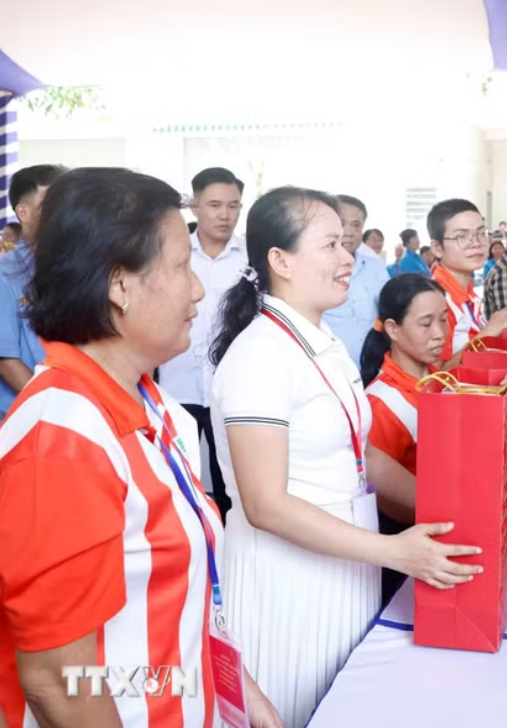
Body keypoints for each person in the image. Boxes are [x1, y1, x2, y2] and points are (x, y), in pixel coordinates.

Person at [0, 167, 281, 728]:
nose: (198, 288)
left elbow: (187, 594)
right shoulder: (63, 439)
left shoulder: (155, 405)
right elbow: (59, 680)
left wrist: (246, 704)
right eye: (181, 267)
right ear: (119, 285)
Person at [209, 186, 481, 728]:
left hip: (345, 566)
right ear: (280, 260)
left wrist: (449, 516)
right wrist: (392, 551)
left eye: (345, 242)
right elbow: (265, 504)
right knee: (298, 707)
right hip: (288, 585)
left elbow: (365, 459)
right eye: (330, 244)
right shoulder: (260, 355)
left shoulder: (321, 341)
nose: (347, 256)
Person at [157, 167, 246, 521]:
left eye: (234, 206)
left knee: (231, 482)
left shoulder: (251, 256)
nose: (225, 215)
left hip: (230, 387)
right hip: (179, 386)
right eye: (214, 205)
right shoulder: (172, 252)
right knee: (179, 478)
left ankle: (228, 555)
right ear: (194, 206)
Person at [360, 273, 448, 600]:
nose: (439, 333)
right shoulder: (380, 403)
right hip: (410, 551)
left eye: (443, 319)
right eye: (426, 324)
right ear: (394, 330)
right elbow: (384, 503)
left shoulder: (438, 379)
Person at [0, 164, 65, 421]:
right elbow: (6, 363)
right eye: (51, 205)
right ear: (23, 213)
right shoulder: (5, 275)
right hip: (24, 419)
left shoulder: (75, 267)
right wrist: (57, 409)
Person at [427, 199, 507, 367]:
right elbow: (433, 379)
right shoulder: (436, 301)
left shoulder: (467, 293)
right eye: (462, 236)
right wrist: (489, 333)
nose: (477, 243)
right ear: (437, 248)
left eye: (481, 233)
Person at [322, 195, 391, 367]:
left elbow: (389, 310)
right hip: (328, 370)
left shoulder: (375, 267)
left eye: (356, 225)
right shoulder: (312, 268)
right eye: (342, 223)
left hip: (373, 368)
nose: (349, 231)